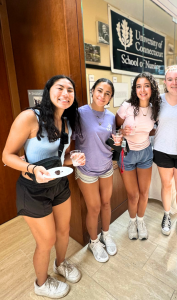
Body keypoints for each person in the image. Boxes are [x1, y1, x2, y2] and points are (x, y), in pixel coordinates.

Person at [2, 75, 85, 298]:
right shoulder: (30, 117)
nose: (65, 93)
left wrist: (73, 161)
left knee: (64, 230)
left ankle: (60, 263)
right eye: (60, 88)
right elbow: (7, 156)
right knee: (46, 240)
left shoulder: (66, 121)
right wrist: (32, 168)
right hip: (32, 189)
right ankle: (41, 283)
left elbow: (59, 160)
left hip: (59, 185)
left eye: (70, 90)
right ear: (48, 91)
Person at [72, 78, 117, 263]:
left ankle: (106, 235)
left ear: (110, 98)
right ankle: (94, 241)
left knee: (106, 204)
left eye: (107, 93)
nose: (102, 96)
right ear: (92, 91)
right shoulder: (79, 114)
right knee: (94, 207)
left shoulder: (111, 117)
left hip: (106, 167)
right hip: (86, 169)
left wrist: (118, 143)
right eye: (99, 91)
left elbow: (111, 143)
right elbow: (70, 141)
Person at [116, 72, 161, 240]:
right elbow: (115, 127)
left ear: (152, 88)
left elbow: (153, 128)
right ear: (135, 89)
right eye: (139, 86)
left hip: (145, 153)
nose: (142, 90)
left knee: (144, 193)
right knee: (133, 194)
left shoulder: (155, 108)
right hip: (127, 154)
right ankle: (132, 221)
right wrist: (122, 131)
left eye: (146, 85)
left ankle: (140, 221)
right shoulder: (126, 106)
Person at [153, 65, 177, 237]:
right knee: (167, 185)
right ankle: (167, 215)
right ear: (165, 82)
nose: (174, 83)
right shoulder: (158, 100)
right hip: (162, 150)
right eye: (170, 79)